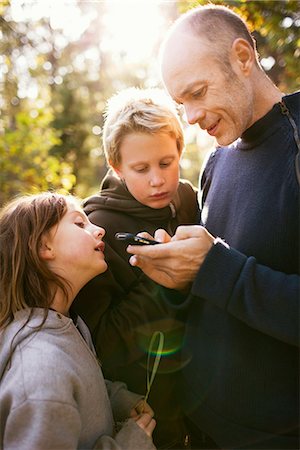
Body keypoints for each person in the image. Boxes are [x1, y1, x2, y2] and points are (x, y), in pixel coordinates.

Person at [126, 5, 300, 450]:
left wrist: (219, 269)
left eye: (197, 92)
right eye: (181, 102)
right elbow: (219, 287)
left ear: (242, 58)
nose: (190, 117)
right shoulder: (216, 163)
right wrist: (180, 271)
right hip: (198, 427)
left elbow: (227, 273)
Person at [73, 87, 199, 449]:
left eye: (166, 163)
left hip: (204, 389)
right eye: (141, 169)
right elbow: (101, 343)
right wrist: (163, 280)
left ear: (179, 151)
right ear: (117, 167)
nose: (157, 180)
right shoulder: (98, 227)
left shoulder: (187, 199)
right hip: (148, 406)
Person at [0, 192, 156, 450]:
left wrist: (115, 399)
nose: (100, 230)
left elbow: (74, 379)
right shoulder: (41, 374)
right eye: (80, 223)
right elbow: (53, 387)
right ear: (44, 247)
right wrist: (129, 445)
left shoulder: (67, 324)